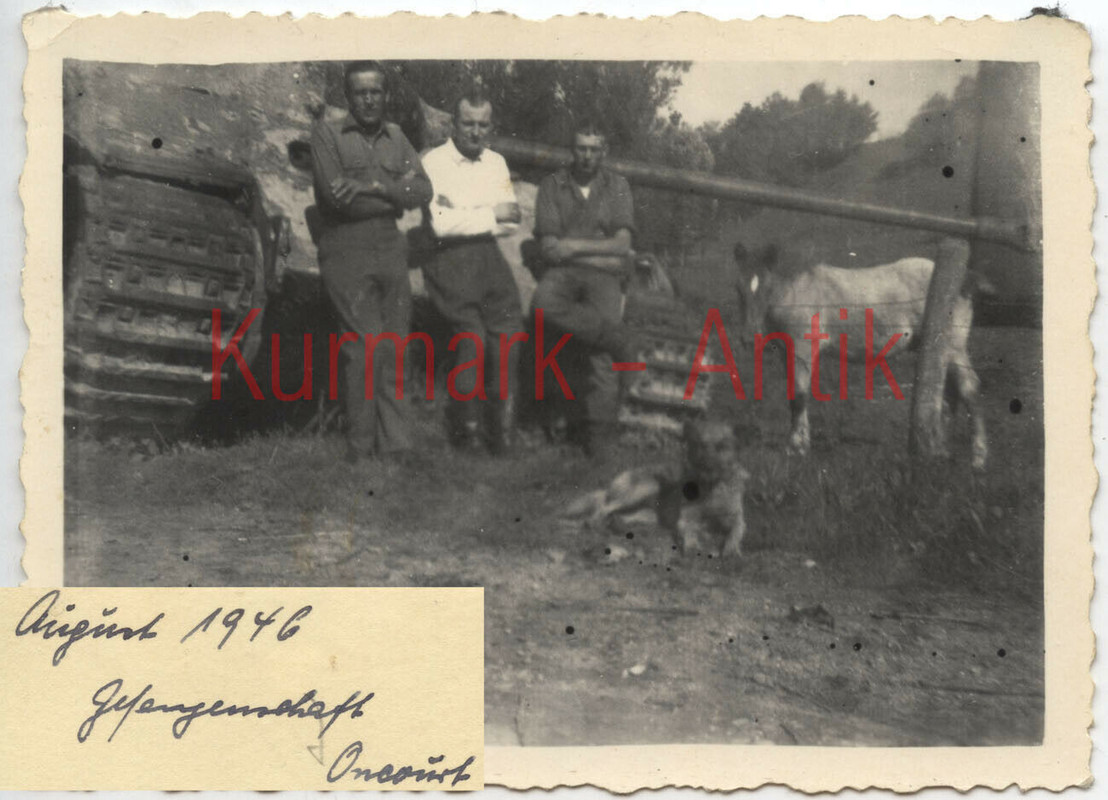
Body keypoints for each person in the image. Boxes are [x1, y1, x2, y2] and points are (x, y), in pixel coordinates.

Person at [310, 61, 433, 462]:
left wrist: (374, 185)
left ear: (385, 95)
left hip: (390, 247)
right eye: (360, 92)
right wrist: (395, 194)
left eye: (375, 91)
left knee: (394, 344)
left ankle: (396, 445)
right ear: (348, 97)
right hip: (346, 247)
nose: (368, 99)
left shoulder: (397, 138)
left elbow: (425, 190)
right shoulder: (327, 135)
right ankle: (361, 449)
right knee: (363, 347)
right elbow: (335, 200)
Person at [419, 90, 525, 454]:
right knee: (473, 339)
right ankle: (468, 432)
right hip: (447, 260)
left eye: (483, 125)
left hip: (488, 258)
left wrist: (463, 212)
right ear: (453, 124)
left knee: (509, 334)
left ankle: (503, 434)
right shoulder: (434, 162)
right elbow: (440, 226)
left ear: (490, 127)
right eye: (468, 124)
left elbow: (511, 223)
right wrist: (489, 213)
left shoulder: (495, 162)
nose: (476, 132)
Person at [530, 121, 637, 456]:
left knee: (600, 355)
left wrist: (573, 249)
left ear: (603, 152)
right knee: (542, 306)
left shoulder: (617, 186)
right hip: (565, 276)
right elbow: (549, 247)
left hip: (599, 278)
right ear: (572, 150)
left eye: (594, 149)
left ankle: (599, 433)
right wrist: (600, 253)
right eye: (581, 148)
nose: (587, 156)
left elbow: (623, 243)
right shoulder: (552, 185)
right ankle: (615, 338)